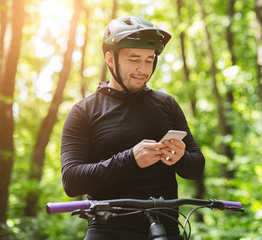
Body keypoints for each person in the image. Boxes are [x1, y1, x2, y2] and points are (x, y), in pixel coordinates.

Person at [60, 15, 205, 240]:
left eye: (149, 60)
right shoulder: (83, 111)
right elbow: (72, 180)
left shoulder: (167, 104)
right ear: (110, 59)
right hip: (108, 231)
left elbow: (196, 168)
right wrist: (130, 159)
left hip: (166, 229)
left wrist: (181, 157)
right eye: (134, 59)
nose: (142, 69)